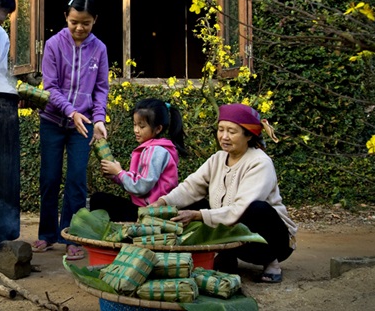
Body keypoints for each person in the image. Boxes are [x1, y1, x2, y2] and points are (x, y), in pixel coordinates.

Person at [151, 103, 297, 283]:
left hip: (272, 240)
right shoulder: (218, 159)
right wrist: (163, 202)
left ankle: (270, 261)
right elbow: (191, 187)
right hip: (231, 231)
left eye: (232, 131)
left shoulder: (260, 163)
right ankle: (226, 254)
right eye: (221, 130)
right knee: (191, 203)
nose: (224, 136)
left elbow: (240, 209)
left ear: (248, 135)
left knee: (257, 209)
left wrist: (198, 215)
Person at [31, 0, 109, 261]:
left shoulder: (99, 49)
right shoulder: (53, 45)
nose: (79, 28)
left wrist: (98, 119)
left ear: (94, 20)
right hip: (53, 121)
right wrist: (70, 111)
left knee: (77, 180)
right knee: (50, 178)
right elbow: (50, 87)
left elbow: (101, 89)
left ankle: (71, 237)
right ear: (66, 17)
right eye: (74, 21)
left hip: (83, 126)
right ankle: (46, 234)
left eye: (86, 23)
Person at [89, 98, 185, 222]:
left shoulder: (157, 151)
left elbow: (141, 187)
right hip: (142, 208)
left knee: (99, 200)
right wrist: (115, 175)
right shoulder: (150, 148)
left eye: (142, 126)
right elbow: (136, 182)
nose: (136, 130)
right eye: (134, 125)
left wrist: (119, 172)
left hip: (151, 213)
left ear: (158, 129)